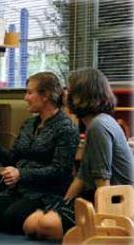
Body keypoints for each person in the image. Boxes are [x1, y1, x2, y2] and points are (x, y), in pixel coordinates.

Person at [23, 68, 134, 240]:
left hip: (116, 203)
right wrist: (61, 205)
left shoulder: (99, 126)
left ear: (82, 95)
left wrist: (105, 229)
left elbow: (102, 181)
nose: (64, 93)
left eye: (69, 90)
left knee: (44, 224)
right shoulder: (95, 124)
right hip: (94, 196)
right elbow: (82, 175)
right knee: (31, 223)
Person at [0, 72, 80, 234]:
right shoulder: (28, 124)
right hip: (19, 189)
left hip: (46, 192)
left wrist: (21, 174)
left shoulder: (66, 128)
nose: (25, 98)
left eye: (29, 92)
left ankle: (45, 218)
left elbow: (60, 170)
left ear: (46, 96)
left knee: (11, 219)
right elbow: (11, 158)